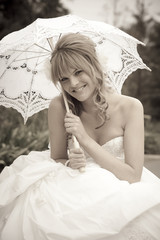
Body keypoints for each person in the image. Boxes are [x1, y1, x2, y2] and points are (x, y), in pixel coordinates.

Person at [0, 33, 160, 240]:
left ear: (94, 65)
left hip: (120, 190)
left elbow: (132, 176)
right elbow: (57, 157)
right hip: (73, 191)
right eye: (64, 79)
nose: (73, 84)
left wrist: (84, 139)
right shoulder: (59, 107)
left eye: (78, 72)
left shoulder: (130, 107)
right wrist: (68, 164)